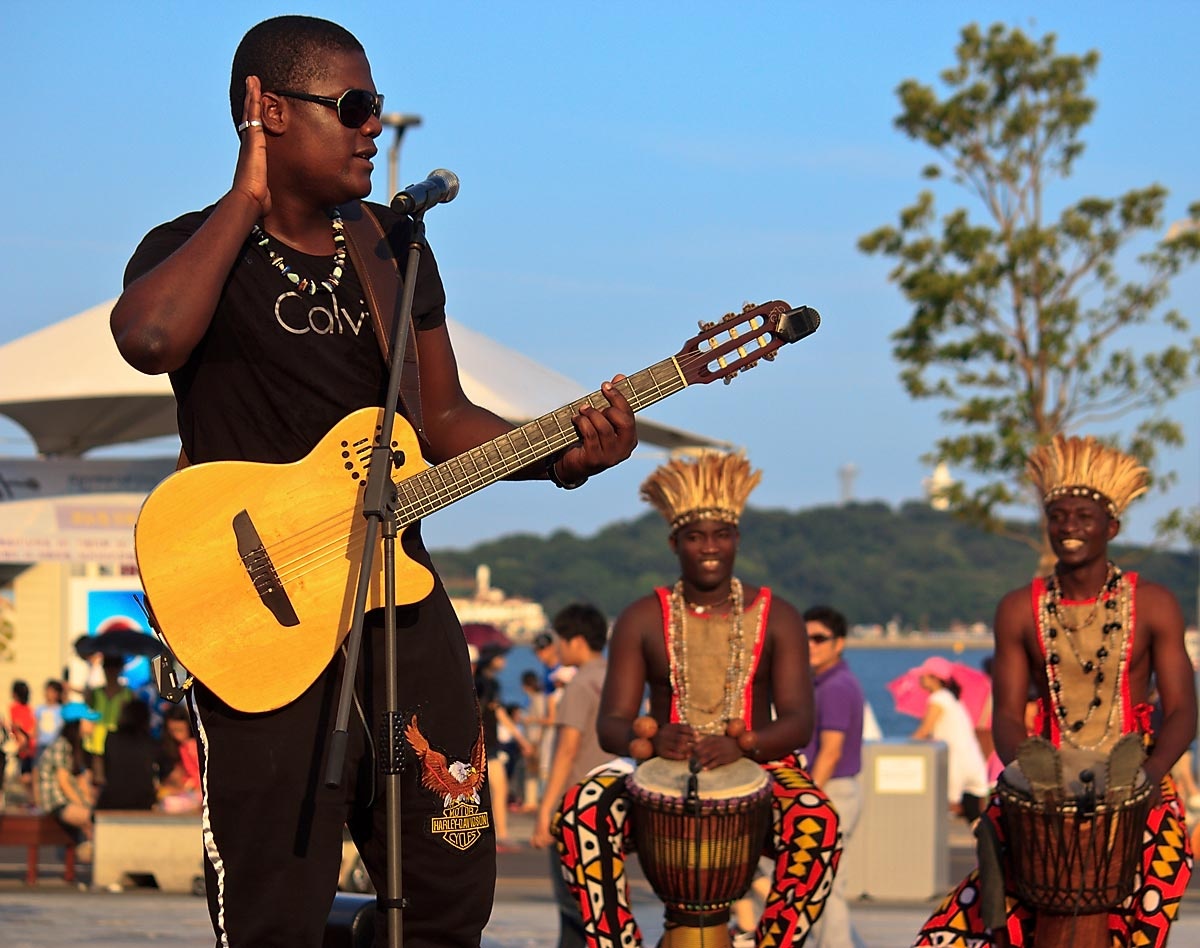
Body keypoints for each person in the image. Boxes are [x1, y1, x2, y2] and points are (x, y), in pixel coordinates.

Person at [110, 14, 636, 946]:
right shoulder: (188, 246)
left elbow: (444, 423)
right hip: (260, 618)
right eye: (351, 107)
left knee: (442, 881)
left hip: (401, 610)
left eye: (377, 107)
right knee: (277, 892)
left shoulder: (395, 248)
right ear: (265, 108)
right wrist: (246, 193)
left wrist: (560, 452)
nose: (371, 127)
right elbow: (150, 340)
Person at [915, 435, 1196, 947]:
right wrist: (1020, 772)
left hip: (1134, 774)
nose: (1068, 527)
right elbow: (1004, 713)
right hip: (1044, 776)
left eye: (1083, 517)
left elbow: (1181, 710)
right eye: (1058, 515)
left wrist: (1151, 775)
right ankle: (1001, 930)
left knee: (1169, 856)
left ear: (1110, 527)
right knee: (957, 920)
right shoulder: (1019, 609)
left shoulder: (1154, 604)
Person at [554, 454, 842, 948]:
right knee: (580, 811)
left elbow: (798, 722)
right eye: (695, 536)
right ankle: (616, 942)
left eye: (721, 534)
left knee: (820, 823)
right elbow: (613, 724)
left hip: (762, 764)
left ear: (737, 540)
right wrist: (651, 739)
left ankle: (772, 942)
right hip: (660, 766)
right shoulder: (643, 617)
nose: (710, 547)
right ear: (674, 543)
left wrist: (745, 746)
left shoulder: (779, 616)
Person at [531, 603, 612, 948]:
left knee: (572, 907)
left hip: (575, 805)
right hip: (610, 801)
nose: (558, 649)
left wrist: (545, 812)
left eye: (561, 641)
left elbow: (566, 750)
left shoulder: (579, 685)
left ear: (577, 641)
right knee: (603, 903)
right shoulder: (615, 676)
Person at [795, 605, 865, 948]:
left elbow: (831, 750)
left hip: (831, 789)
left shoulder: (836, 686)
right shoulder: (823, 683)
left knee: (826, 886)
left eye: (819, 638)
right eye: (804, 638)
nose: (810, 645)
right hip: (832, 788)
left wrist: (807, 798)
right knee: (821, 882)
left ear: (838, 643)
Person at [909, 656, 990, 822]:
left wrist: (902, 747)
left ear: (934, 678)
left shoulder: (938, 699)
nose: (920, 679)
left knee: (940, 813)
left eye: (923, 675)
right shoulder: (953, 699)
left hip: (955, 764)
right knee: (974, 815)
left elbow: (924, 730)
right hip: (972, 760)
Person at [36, 702, 99, 857]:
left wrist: (89, 803)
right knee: (94, 820)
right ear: (77, 723)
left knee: (97, 819)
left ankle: (90, 851)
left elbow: (80, 781)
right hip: (57, 803)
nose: (94, 724)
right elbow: (64, 784)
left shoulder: (76, 747)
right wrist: (84, 806)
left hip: (67, 801)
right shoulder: (61, 745)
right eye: (89, 720)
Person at [95, 698, 158, 811]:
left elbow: (105, 771)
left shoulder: (110, 739)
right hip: (142, 803)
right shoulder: (150, 743)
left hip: (112, 801)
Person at [84, 654, 135, 784]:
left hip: (119, 731)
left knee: (118, 765)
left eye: (114, 668)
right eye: (107, 668)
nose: (110, 672)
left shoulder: (128, 693)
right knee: (98, 762)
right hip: (99, 731)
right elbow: (88, 709)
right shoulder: (96, 692)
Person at [157, 704, 201, 814]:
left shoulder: (194, 746)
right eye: (173, 731)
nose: (177, 736)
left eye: (180, 730)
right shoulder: (166, 750)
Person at [8, 680, 36, 799]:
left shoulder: (13, 709)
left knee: (24, 776)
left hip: (23, 747)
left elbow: (18, 730)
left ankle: (32, 800)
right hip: (31, 747)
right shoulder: (30, 710)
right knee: (28, 775)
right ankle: (32, 799)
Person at [33, 679, 65, 761]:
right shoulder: (40, 709)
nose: (48, 693)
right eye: (47, 691)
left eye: (51, 691)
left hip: (55, 746)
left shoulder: (61, 710)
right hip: (41, 744)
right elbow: (35, 728)